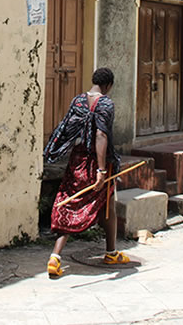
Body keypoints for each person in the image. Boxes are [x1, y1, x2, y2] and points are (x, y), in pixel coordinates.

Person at [42, 67, 130, 278]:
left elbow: (67, 128)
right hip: (96, 162)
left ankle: (55, 256)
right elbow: (101, 135)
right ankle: (110, 253)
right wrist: (100, 170)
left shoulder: (78, 101)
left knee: (70, 203)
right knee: (108, 203)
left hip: (77, 160)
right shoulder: (106, 104)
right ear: (108, 86)